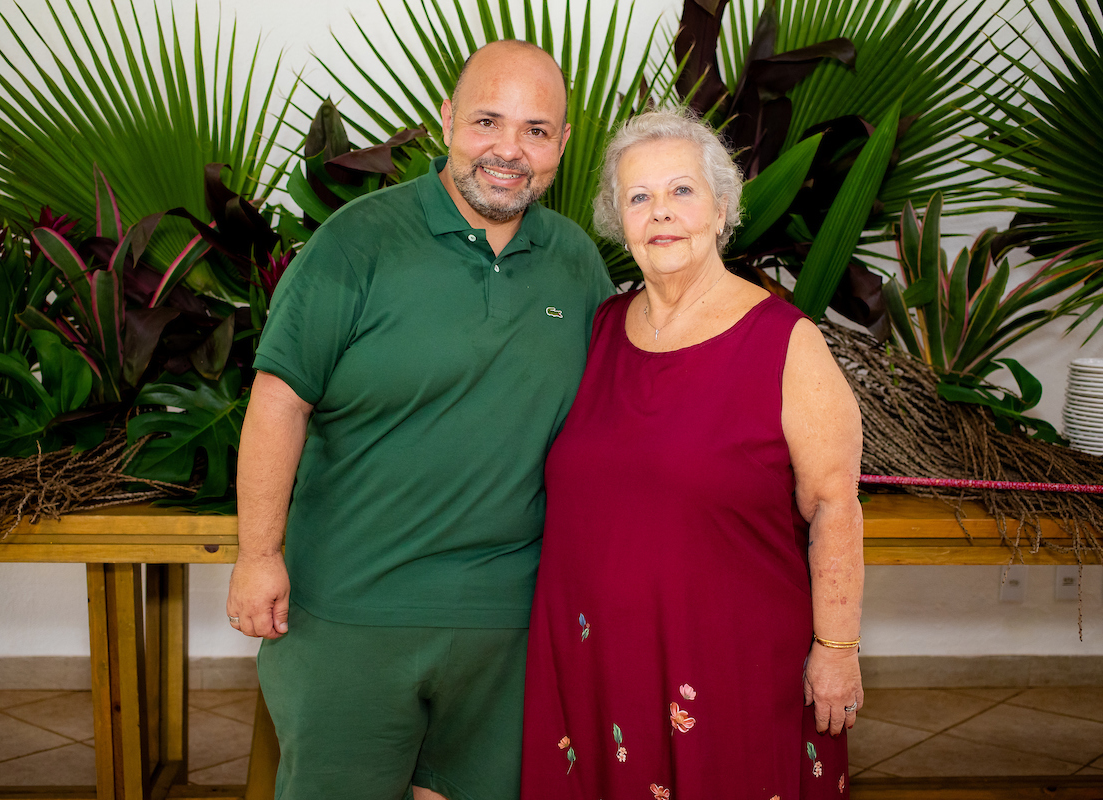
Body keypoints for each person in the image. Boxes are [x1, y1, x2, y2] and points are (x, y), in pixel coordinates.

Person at [226, 40, 614, 800]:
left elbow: (615, 417)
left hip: (511, 625)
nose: (509, 149)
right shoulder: (358, 242)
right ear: (445, 121)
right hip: (351, 611)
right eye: (487, 121)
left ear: (562, 145)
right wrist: (257, 555)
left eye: (536, 130)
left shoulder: (576, 262)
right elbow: (279, 399)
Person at [519, 107, 865, 799]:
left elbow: (833, 505)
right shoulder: (599, 331)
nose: (662, 213)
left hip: (728, 665)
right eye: (639, 198)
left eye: (682, 191)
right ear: (620, 222)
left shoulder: (784, 343)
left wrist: (836, 650)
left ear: (721, 206)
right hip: (593, 664)